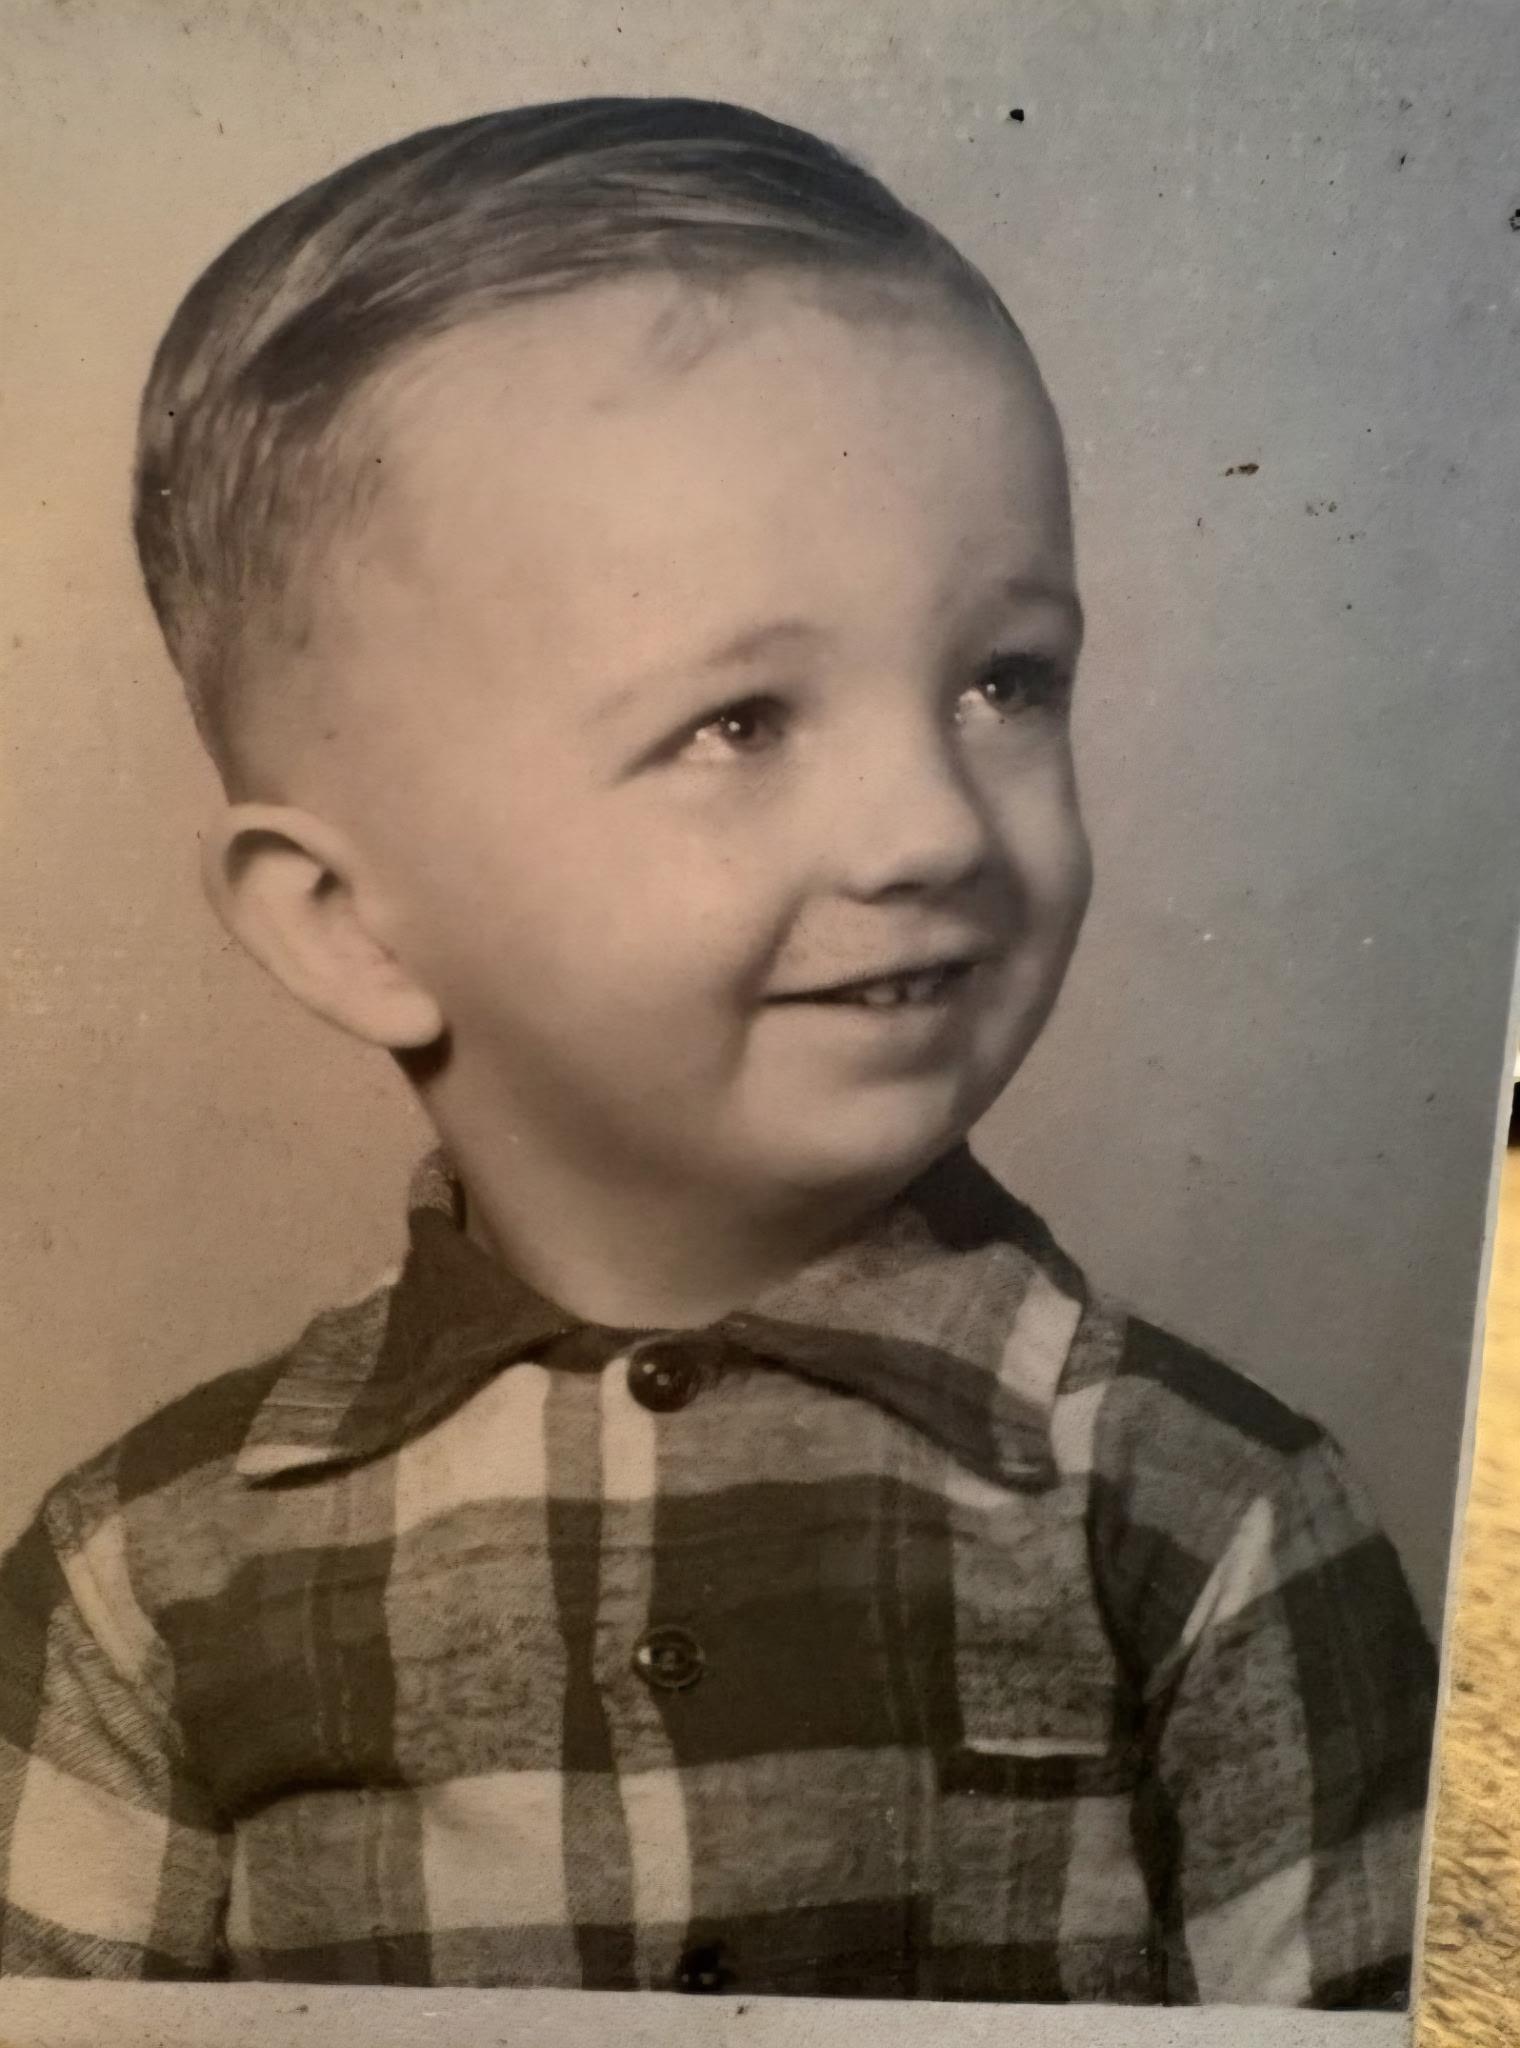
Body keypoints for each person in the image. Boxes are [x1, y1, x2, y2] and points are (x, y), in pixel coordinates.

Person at [0, 97, 1435, 2004]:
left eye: (1005, 680)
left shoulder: (1208, 1515)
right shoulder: (146, 1575)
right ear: (351, 924)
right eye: (742, 721)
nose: (931, 823)